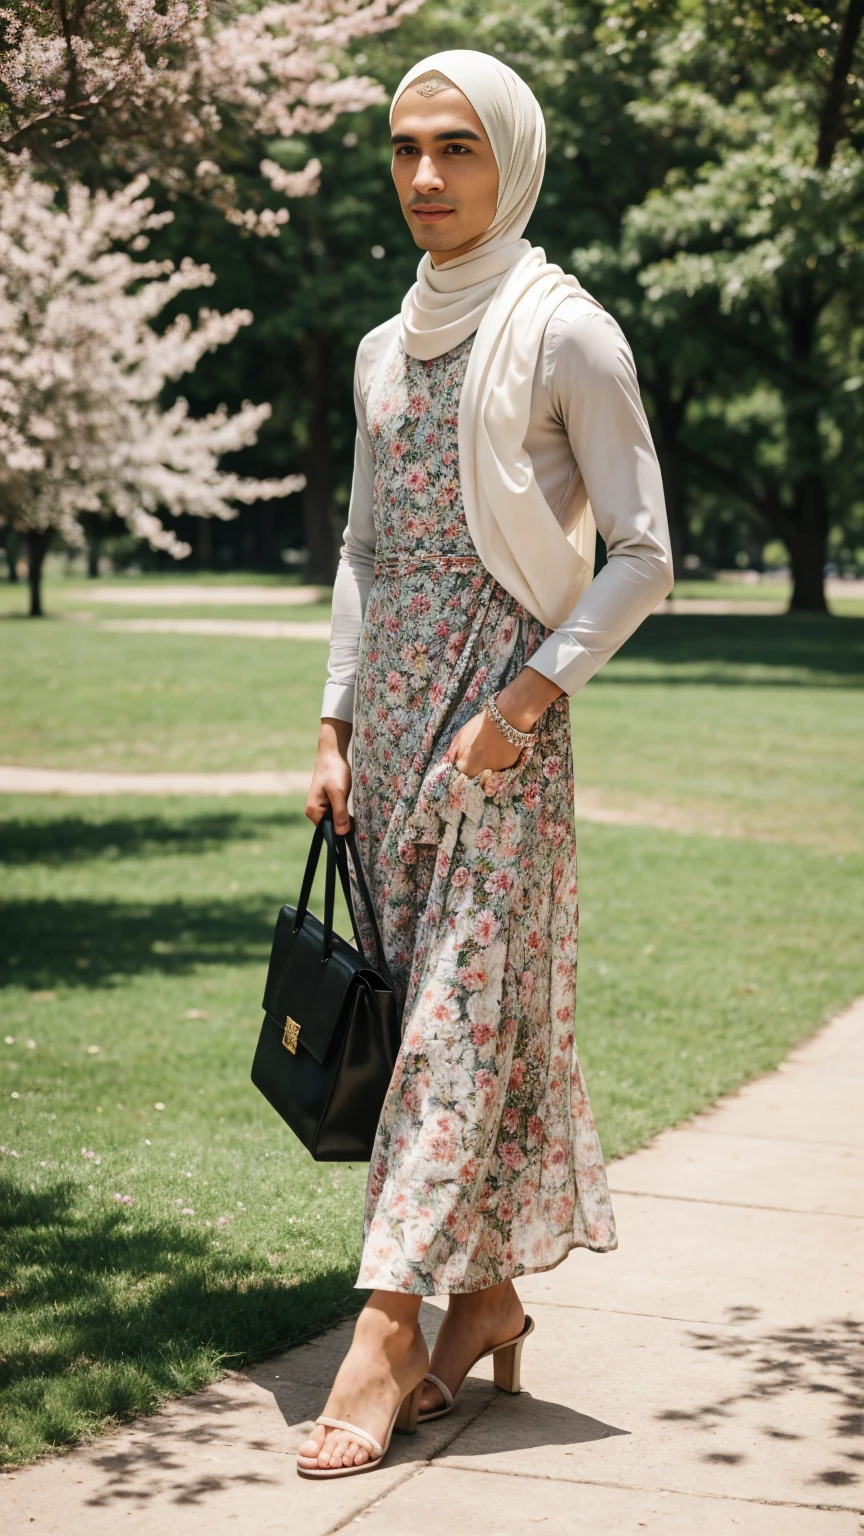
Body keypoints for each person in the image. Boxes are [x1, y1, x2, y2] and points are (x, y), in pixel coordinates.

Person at [298, 48, 673, 1478]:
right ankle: (493, 1295)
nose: (425, 179)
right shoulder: (383, 346)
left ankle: (388, 1330)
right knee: (424, 1030)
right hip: (391, 742)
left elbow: (642, 555)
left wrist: (521, 705)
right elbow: (363, 548)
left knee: (454, 1030)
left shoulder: (567, 330)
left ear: (507, 158)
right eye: (403, 149)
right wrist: (334, 725)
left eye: (456, 149)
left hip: (498, 740)